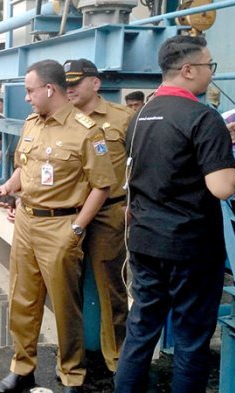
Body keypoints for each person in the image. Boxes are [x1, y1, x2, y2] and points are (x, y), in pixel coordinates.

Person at [115, 35, 235, 393]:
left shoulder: (139, 117)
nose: (210, 74)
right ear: (188, 69)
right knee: (191, 337)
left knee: (141, 330)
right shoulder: (203, 117)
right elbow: (223, 187)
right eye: (208, 66)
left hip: (145, 241)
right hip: (190, 248)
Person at [0, 59, 116, 393]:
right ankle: (22, 367)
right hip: (27, 222)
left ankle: (72, 373)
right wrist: (7, 187)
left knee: (64, 306)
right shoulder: (32, 123)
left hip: (61, 227)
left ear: (50, 88)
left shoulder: (86, 130)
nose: (28, 98)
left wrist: (76, 229)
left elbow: (102, 186)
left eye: (30, 91)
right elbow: (25, 166)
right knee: (22, 300)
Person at [64, 58, 133, 376]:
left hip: (109, 213)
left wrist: (133, 205)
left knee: (112, 286)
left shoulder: (123, 119)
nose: (70, 88)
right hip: (67, 213)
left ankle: (117, 358)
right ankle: (72, 360)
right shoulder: (60, 118)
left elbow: (141, 164)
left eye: (77, 81)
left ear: (95, 83)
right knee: (67, 287)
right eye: (67, 83)